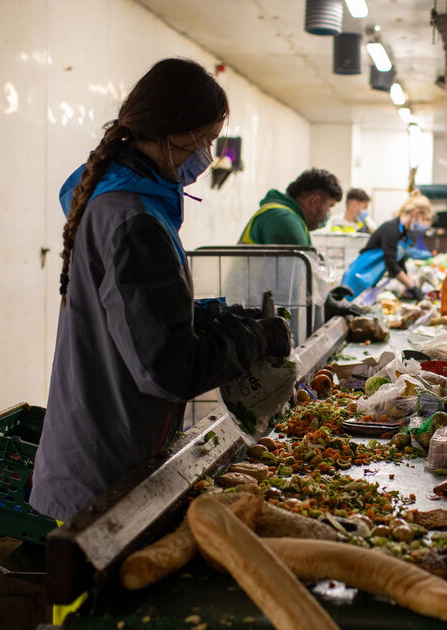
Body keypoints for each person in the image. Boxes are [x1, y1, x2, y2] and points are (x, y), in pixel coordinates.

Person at [30, 59, 292, 522]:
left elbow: (139, 315)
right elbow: (170, 368)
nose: (207, 155)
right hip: (104, 474)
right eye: (206, 140)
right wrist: (254, 340)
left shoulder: (121, 203)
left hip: (101, 448)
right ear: (172, 132)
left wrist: (221, 317)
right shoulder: (133, 219)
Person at [340, 191, 435, 300]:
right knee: (347, 304)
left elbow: (400, 265)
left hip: (369, 279)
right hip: (358, 277)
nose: (424, 223)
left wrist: (411, 286)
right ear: (416, 212)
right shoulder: (391, 229)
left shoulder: (403, 234)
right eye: (424, 219)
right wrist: (413, 288)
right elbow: (391, 265)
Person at [238, 168, 341, 245]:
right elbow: (298, 268)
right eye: (329, 206)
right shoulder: (284, 219)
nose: (328, 213)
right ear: (315, 202)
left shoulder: (283, 214)